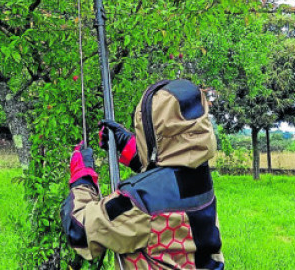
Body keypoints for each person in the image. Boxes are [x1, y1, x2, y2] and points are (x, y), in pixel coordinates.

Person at [61, 79, 225, 269]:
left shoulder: (139, 201)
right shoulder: (199, 174)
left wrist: (82, 177)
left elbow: (80, 231)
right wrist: (134, 149)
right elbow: (170, 181)